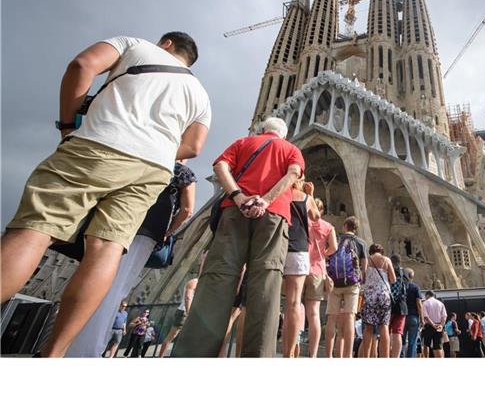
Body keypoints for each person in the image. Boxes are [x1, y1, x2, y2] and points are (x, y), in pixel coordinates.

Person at [1, 33, 210, 357]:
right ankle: (54, 354)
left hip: (101, 144)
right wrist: (160, 147)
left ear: (166, 43)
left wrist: (68, 125)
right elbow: (194, 147)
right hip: (152, 169)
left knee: (35, 230)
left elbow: (81, 65)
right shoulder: (200, 93)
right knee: (107, 249)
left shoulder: (135, 46)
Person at [173, 117, 304, 358]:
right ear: (282, 134)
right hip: (273, 215)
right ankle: (258, 356)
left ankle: (193, 355)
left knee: (217, 279)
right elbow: (293, 175)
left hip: (235, 210)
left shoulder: (244, 142)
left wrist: (238, 196)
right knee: (266, 283)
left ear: (263, 130)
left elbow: (221, 166)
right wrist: (266, 199)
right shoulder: (291, 149)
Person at [65, 161, 197, 358]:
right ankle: (85, 350)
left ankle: (62, 344)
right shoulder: (181, 172)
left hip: (110, 222)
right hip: (145, 233)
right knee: (115, 290)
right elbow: (187, 210)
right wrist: (168, 232)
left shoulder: (139, 156)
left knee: (90, 279)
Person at [283, 178, 321, 357]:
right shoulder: (304, 197)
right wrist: (311, 195)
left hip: (277, 248)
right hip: (297, 249)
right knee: (294, 303)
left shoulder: (280, 193)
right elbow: (316, 216)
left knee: (272, 300)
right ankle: (289, 352)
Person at [325, 216, 367, 358]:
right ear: (356, 228)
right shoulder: (361, 243)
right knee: (350, 317)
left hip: (335, 282)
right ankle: (348, 355)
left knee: (331, 318)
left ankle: (329, 355)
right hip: (352, 284)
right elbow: (364, 267)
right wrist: (361, 281)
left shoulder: (336, 240)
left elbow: (328, 257)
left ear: (344, 226)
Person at [302, 198, 337, 358]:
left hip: (299, 266)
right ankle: (313, 354)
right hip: (317, 270)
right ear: (321, 211)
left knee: (292, 307)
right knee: (314, 313)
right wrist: (323, 253)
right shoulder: (328, 227)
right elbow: (334, 248)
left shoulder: (303, 221)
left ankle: (291, 348)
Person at [359, 244, 396, 358]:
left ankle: (366, 356)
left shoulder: (367, 260)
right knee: (384, 326)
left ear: (370, 251)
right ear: (382, 251)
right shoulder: (386, 260)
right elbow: (393, 279)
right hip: (384, 295)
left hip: (370, 296)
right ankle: (385, 356)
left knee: (368, 327)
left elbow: (363, 278)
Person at [159, 277, 198, 358]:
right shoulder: (194, 282)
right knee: (171, 336)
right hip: (185, 312)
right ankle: (160, 357)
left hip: (190, 313)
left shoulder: (200, 283)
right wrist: (188, 313)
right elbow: (188, 297)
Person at [388, 254, 409, 358]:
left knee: (385, 332)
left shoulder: (388, 271)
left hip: (389, 305)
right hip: (401, 306)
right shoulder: (404, 273)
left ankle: (385, 355)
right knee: (397, 333)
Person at [402, 268, 423, 358]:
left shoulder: (400, 286)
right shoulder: (415, 287)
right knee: (412, 341)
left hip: (402, 316)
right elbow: (419, 304)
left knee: (401, 340)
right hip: (413, 317)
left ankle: (401, 357)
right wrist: (422, 318)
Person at [421, 290, 447, 358]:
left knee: (426, 345)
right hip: (439, 326)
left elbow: (426, 317)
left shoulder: (425, 303)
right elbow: (444, 316)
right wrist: (441, 325)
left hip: (429, 326)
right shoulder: (440, 303)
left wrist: (433, 324)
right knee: (438, 346)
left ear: (427, 295)